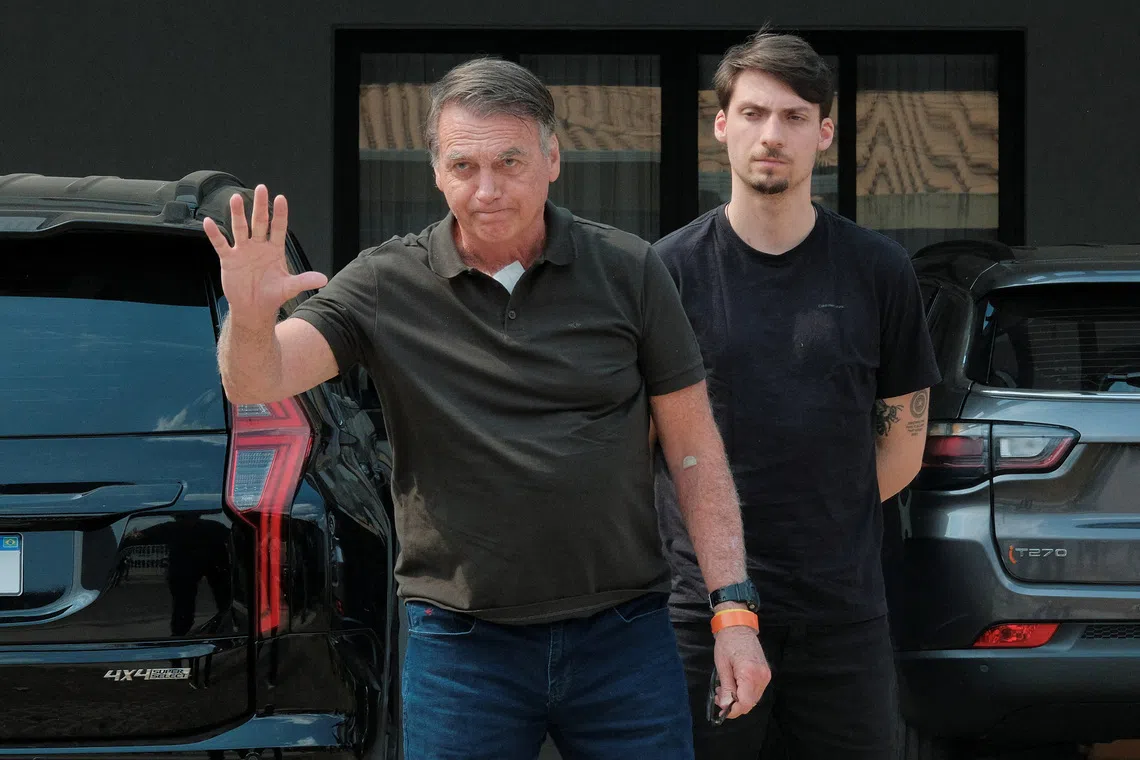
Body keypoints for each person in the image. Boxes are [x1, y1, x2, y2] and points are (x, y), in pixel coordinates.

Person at [204, 57, 769, 760]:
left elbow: (694, 449)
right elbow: (257, 381)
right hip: (465, 650)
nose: (488, 188)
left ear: (553, 157)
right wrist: (251, 319)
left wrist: (734, 611)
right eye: (464, 165)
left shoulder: (629, 270)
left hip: (623, 638)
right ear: (436, 171)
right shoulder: (386, 283)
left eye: (510, 160)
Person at [653, 29, 941, 759]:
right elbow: (642, 441)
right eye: (751, 114)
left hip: (841, 618)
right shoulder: (666, 273)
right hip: (703, 615)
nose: (770, 135)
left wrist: (820, 520)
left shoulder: (879, 270)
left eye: (791, 116)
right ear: (721, 127)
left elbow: (902, 444)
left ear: (826, 133)